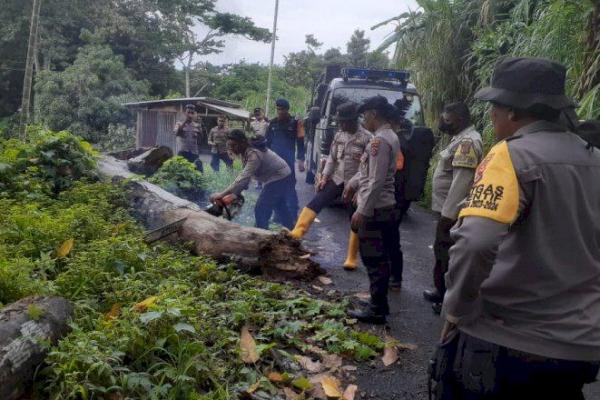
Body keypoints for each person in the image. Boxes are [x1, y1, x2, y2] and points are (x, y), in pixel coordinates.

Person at [436, 57, 600, 399]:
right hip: (578, 348)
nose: (491, 115)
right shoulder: (593, 159)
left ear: (511, 111)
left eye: (494, 106)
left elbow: (476, 243)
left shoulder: (510, 157)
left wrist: (456, 309)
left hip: (508, 344)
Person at [286, 102, 372, 271]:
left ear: (354, 120)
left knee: (354, 217)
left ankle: (351, 257)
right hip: (338, 178)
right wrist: (324, 177)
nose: (342, 125)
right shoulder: (339, 135)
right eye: (340, 122)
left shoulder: (367, 138)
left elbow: (368, 167)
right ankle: (296, 234)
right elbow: (332, 159)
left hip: (356, 182)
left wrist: (359, 187)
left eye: (345, 122)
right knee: (316, 202)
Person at [343, 96, 400, 324]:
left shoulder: (380, 141)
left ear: (374, 114)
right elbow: (368, 171)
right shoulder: (386, 136)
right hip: (383, 206)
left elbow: (376, 180)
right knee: (379, 258)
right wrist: (352, 183)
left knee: (374, 259)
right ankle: (377, 302)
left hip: (376, 208)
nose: (363, 120)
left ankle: (377, 309)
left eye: (365, 115)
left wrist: (362, 211)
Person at [423, 102, 483, 314]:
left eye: (447, 119)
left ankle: (449, 301)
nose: (443, 123)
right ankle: (440, 292)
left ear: (459, 118)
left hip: (452, 213)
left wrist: (448, 217)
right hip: (446, 211)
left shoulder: (467, 142)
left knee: (450, 255)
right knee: (442, 252)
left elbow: (461, 183)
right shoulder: (459, 140)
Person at [209, 130, 294, 230]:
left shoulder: (254, 154)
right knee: (279, 205)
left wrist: (221, 194)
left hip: (280, 176)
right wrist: (235, 194)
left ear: (242, 142)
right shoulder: (245, 152)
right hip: (283, 175)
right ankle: (292, 231)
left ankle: (262, 236)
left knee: (261, 208)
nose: (232, 148)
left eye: (234, 145)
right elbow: (245, 179)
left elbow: (244, 177)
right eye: (230, 146)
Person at [266, 98, 305, 217]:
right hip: (274, 161)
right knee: (275, 186)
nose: (279, 112)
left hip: (288, 160)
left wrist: (301, 160)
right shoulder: (272, 123)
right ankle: (278, 214)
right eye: (278, 109)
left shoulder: (296, 123)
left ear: (287, 110)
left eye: (282, 109)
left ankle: (293, 214)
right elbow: (267, 142)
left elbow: (300, 141)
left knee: (290, 186)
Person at [173, 103, 204, 171]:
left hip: (194, 152)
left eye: (192, 113)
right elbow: (176, 133)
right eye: (188, 112)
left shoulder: (197, 125)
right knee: (180, 171)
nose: (190, 114)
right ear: (185, 113)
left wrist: (200, 127)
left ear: (194, 114)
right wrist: (185, 121)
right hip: (182, 152)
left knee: (196, 171)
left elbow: (201, 139)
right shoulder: (179, 123)